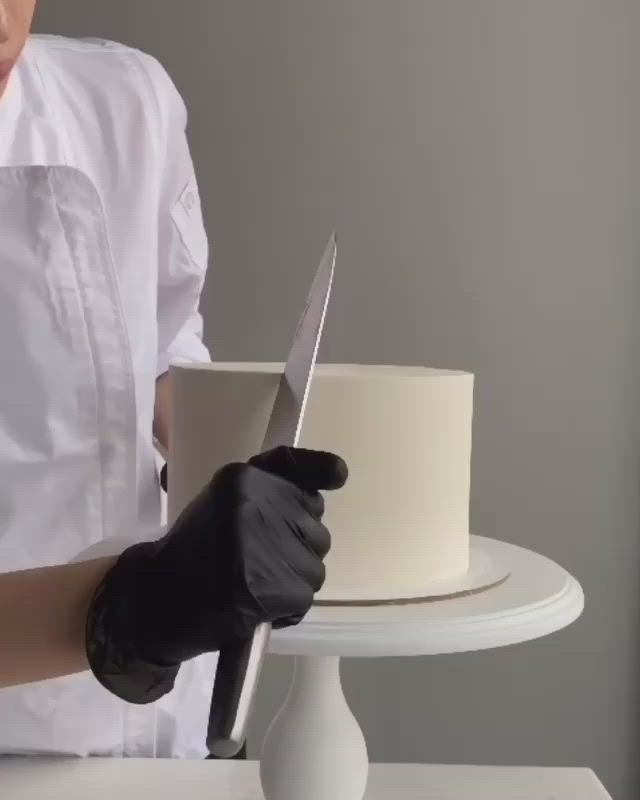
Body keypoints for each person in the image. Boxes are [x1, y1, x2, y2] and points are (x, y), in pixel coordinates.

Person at [0, 2, 347, 758]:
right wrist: (126, 613)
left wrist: (241, 512)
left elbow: (159, 351)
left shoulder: (125, 105)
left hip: (153, 719)